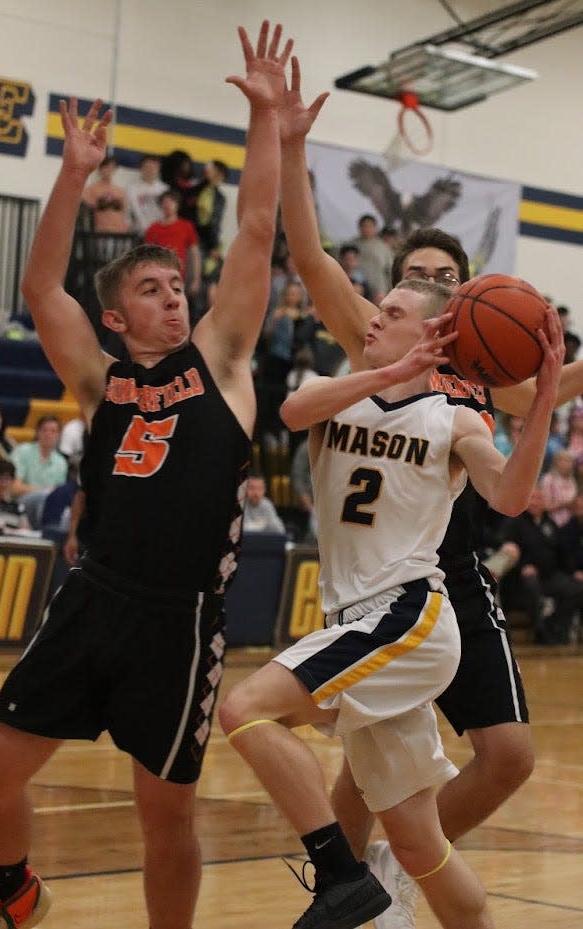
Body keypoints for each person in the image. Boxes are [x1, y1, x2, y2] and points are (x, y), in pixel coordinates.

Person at [0, 20, 291, 929]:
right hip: (92, 596)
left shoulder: (221, 360)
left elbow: (259, 228)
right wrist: (71, 175)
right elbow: (41, 292)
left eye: (176, 285)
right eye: (151, 290)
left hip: (180, 619)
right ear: (115, 319)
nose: (173, 295)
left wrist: (264, 117)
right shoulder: (99, 379)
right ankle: (11, 887)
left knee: (165, 814)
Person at [275, 56, 583, 929]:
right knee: (364, 765)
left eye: (444, 282)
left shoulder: (485, 383)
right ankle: (351, 890)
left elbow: (548, 400)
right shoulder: (370, 339)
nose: (419, 293)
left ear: (469, 300)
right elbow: (305, 251)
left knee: (508, 754)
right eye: (409, 278)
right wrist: (290, 146)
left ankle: (388, 868)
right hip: (366, 571)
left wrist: (556, 360)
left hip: (449, 569)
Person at [219, 274, 563, 929]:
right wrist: (394, 371)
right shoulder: (336, 391)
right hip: (361, 623)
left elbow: (512, 496)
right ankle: (379, 886)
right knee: (417, 841)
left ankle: (340, 876)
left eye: (394, 311)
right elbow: (292, 412)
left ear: (434, 333)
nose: (374, 319)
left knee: (245, 709)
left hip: (409, 615)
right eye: (378, 308)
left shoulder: (454, 419)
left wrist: (543, 397)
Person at [499, 484, 583, 645]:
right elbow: (506, 549)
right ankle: (540, 631)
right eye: (532, 498)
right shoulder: (514, 522)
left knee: (577, 589)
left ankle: (553, 625)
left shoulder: (550, 523)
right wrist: (523, 566)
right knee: (531, 586)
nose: (535, 502)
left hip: (550, 576)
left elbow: (562, 553)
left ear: (545, 502)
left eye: (539, 499)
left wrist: (573, 572)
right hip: (522, 580)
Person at [144, 188, 202, 300]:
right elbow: (146, 257)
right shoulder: (153, 228)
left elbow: (195, 255)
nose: (168, 205)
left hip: (178, 278)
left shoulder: (186, 226)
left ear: (177, 205)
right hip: (156, 279)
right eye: (165, 202)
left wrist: (196, 279)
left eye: (171, 201)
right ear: (161, 205)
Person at [81, 154, 130, 233]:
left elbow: (124, 212)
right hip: (100, 231)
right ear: (100, 169)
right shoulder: (90, 189)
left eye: (112, 168)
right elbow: (88, 210)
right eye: (106, 167)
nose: (109, 170)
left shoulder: (120, 191)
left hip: (121, 231)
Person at [126, 154, 167, 235]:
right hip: (138, 233)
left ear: (158, 169)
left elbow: (167, 213)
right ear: (141, 168)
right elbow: (130, 212)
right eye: (147, 167)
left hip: (161, 233)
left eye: (153, 167)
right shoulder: (132, 189)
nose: (150, 170)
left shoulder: (164, 189)